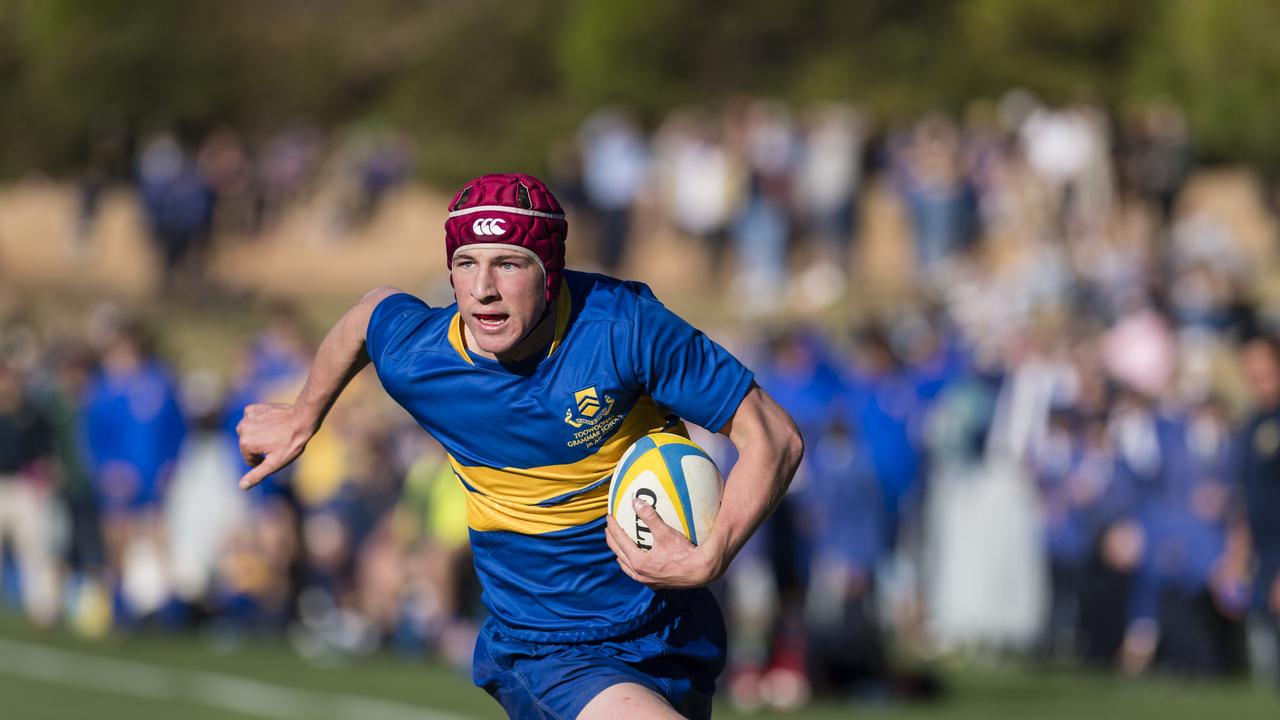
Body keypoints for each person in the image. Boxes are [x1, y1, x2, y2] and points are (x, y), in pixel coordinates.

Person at [235, 173, 804, 719]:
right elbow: (368, 314)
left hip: (674, 626)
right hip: (550, 646)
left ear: (550, 270)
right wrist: (305, 415)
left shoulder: (623, 328)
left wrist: (713, 553)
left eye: (508, 264)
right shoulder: (423, 357)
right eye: (466, 264)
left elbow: (772, 435)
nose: (483, 289)